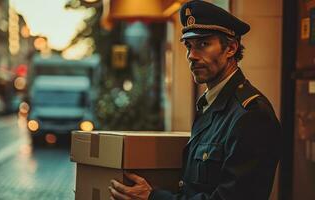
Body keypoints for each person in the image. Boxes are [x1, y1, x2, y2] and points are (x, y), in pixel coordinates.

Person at [108, 1, 282, 200]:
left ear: (231, 48)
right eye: (189, 46)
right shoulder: (210, 105)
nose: (192, 55)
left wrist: (154, 198)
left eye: (203, 44)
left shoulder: (251, 115)